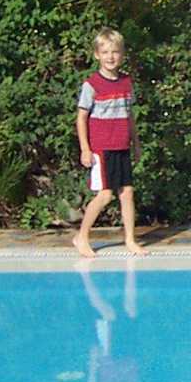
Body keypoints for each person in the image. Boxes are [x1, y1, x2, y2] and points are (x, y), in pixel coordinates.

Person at [73, 28, 148, 258]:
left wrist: (136, 143)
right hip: (102, 148)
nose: (110, 57)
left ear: (122, 54)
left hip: (122, 145)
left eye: (115, 52)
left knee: (127, 193)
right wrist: (85, 149)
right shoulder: (92, 85)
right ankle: (81, 236)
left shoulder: (126, 82)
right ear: (97, 54)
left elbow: (129, 116)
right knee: (105, 195)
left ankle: (130, 239)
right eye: (105, 52)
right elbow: (81, 117)